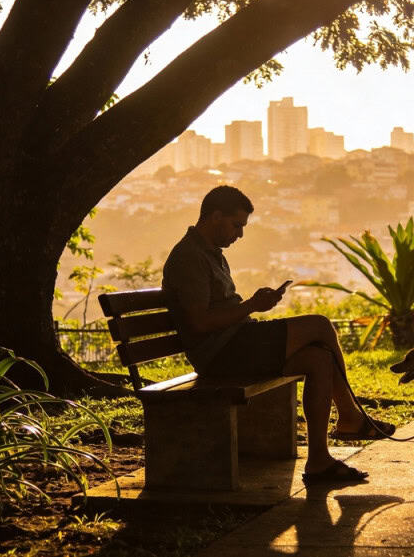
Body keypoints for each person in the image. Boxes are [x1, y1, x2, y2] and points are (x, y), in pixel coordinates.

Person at [161, 185, 395, 483]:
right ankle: (350, 417)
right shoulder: (189, 257)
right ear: (215, 216)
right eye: (237, 225)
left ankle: (319, 461)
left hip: (239, 343)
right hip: (223, 353)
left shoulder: (211, 254)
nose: (240, 234)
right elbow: (199, 323)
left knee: (318, 360)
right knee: (320, 325)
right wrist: (251, 306)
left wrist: (255, 306)